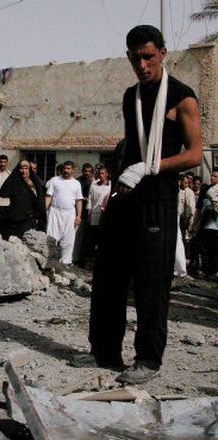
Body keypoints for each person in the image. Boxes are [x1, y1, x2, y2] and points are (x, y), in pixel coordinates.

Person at [89, 25, 202, 383]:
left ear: (163, 54)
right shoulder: (130, 97)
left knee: (152, 282)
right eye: (136, 57)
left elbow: (196, 155)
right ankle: (105, 352)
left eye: (149, 56)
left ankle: (148, 360)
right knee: (108, 274)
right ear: (128, 57)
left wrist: (152, 167)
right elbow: (131, 142)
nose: (142, 64)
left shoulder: (182, 97)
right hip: (127, 194)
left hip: (158, 197)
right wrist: (123, 173)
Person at [46, 161, 83, 265]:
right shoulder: (55, 180)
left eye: (68, 169)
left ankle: (66, 262)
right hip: (55, 212)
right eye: (65, 168)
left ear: (73, 170)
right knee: (51, 237)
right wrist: (45, 211)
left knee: (68, 240)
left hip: (70, 213)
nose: (66, 170)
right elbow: (48, 196)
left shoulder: (76, 183)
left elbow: (79, 201)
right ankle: (50, 260)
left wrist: (79, 216)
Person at [0, 159, 46, 240]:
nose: (24, 171)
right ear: (18, 169)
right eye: (21, 168)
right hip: (13, 225)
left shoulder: (36, 183)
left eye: (26, 168)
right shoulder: (10, 183)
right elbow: (2, 202)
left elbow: (40, 202)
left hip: (30, 223)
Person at [87, 165, 111, 259]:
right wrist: (89, 213)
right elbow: (90, 199)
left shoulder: (111, 186)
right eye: (100, 173)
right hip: (95, 215)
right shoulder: (94, 185)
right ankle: (90, 258)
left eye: (103, 173)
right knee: (93, 237)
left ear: (107, 174)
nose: (101, 175)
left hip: (106, 216)